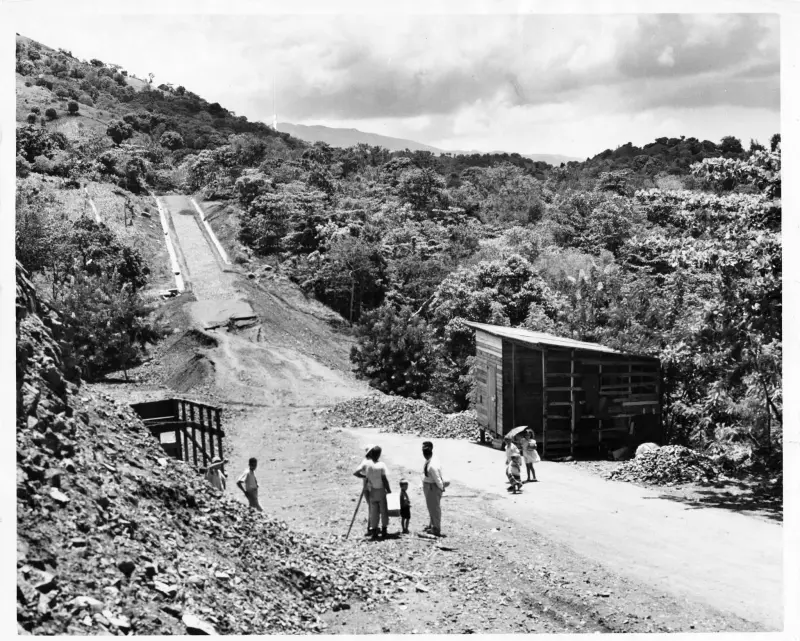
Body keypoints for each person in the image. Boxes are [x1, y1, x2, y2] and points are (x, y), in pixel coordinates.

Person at [354, 445, 391, 539]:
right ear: (379, 454)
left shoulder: (366, 464)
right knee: (383, 511)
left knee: (373, 511)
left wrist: (365, 477)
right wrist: (389, 490)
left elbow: (356, 473)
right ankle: (384, 530)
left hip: (372, 491)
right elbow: (384, 479)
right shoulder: (381, 465)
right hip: (381, 490)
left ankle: (373, 531)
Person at [421, 441, 449, 537]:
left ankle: (436, 528)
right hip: (430, 486)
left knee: (434, 509)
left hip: (432, 487)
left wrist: (441, 488)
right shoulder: (432, 459)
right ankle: (432, 525)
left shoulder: (432, 465)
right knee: (431, 508)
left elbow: (437, 478)